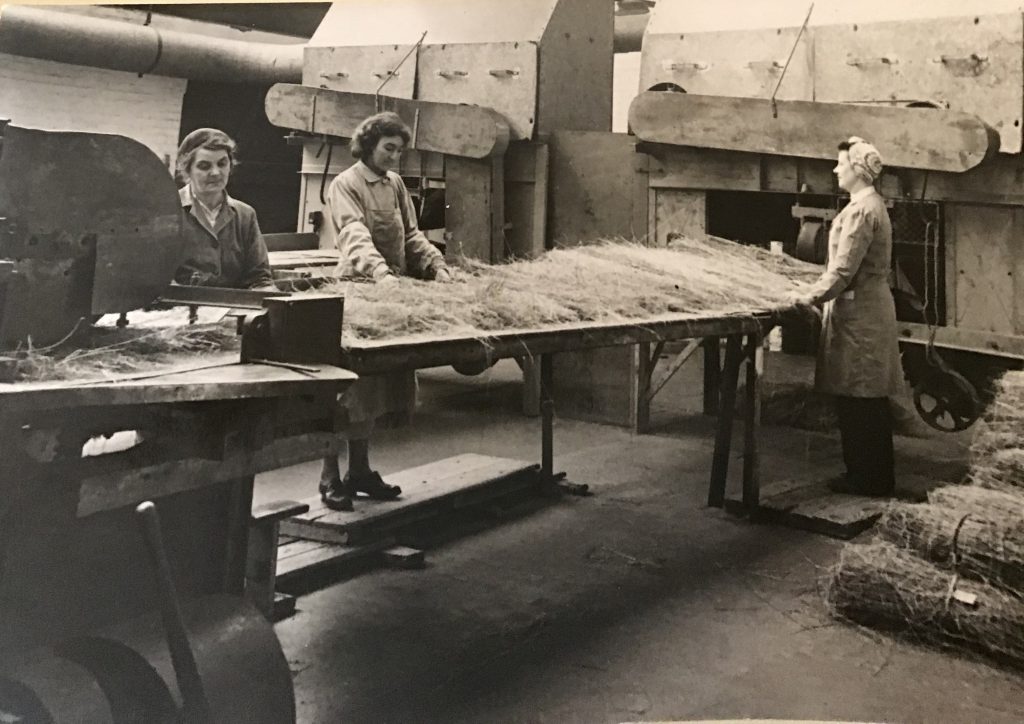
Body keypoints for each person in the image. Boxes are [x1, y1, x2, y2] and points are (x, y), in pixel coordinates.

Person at [319, 111, 453, 511]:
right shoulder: (346, 184)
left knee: (375, 389)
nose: (395, 156)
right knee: (345, 389)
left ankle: (360, 470)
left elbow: (410, 235)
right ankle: (329, 476)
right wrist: (380, 274)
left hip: (390, 293)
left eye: (399, 150)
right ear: (369, 145)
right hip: (359, 293)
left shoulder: (395, 185)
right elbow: (353, 235)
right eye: (388, 148)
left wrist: (436, 264)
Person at [787, 136, 901, 497]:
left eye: (840, 164)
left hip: (861, 316)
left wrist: (806, 297)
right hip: (860, 310)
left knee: (862, 400)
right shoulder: (866, 206)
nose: (836, 169)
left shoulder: (862, 211)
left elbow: (842, 273)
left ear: (857, 168)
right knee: (860, 398)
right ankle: (868, 476)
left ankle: (869, 480)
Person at [174, 128, 274, 290]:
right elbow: (155, 279)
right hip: (179, 310)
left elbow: (259, 278)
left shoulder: (245, 215)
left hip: (233, 310)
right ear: (188, 170)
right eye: (204, 166)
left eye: (222, 163)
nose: (215, 173)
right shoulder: (169, 211)